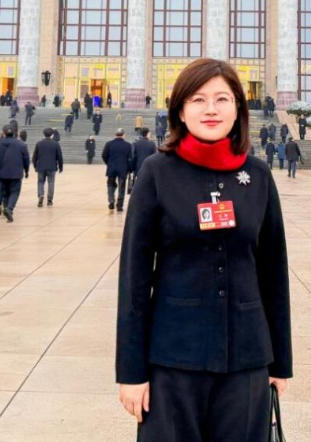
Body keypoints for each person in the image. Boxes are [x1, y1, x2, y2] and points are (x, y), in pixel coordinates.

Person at [116, 57, 291, 439]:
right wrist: (131, 372)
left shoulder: (258, 175)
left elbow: (273, 273)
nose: (211, 109)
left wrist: (280, 362)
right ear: (180, 110)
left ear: (238, 109)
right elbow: (134, 281)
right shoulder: (157, 172)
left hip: (246, 360)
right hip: (173, 359)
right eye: (198, 99)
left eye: (222, 99)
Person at [0, 127, 29, 222]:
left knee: (5, 192)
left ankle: (6, 207)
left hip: (2, 173)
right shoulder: (22, 145)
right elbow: (26, 159)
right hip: (16, 173)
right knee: (15, 192)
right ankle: (9, 208)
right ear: (15, 134)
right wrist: (26, 170)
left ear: (3, 133)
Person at [102, 128, 133, 212]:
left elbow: (104, 155)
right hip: (123, 168)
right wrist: (130, 169)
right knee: (121, 187)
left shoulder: (109, 144)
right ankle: (119, 205)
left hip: (111, 168)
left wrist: (109, 163)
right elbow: (130, 158)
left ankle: (111, 200)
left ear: (115, 134)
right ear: (123, 135)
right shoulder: (128, 145)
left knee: (110, 185)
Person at [32, 127, 64, 207]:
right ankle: (49, 200)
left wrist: (35, 165)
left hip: (41, 166)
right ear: (52, 135)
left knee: (40, 182)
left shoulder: (39, 143)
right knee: (51, 182)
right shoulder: (55, 144)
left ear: (43, 134)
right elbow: (59, 156)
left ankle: (40, 195)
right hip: (52, 167)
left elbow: (34, 156)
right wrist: (60, 167)